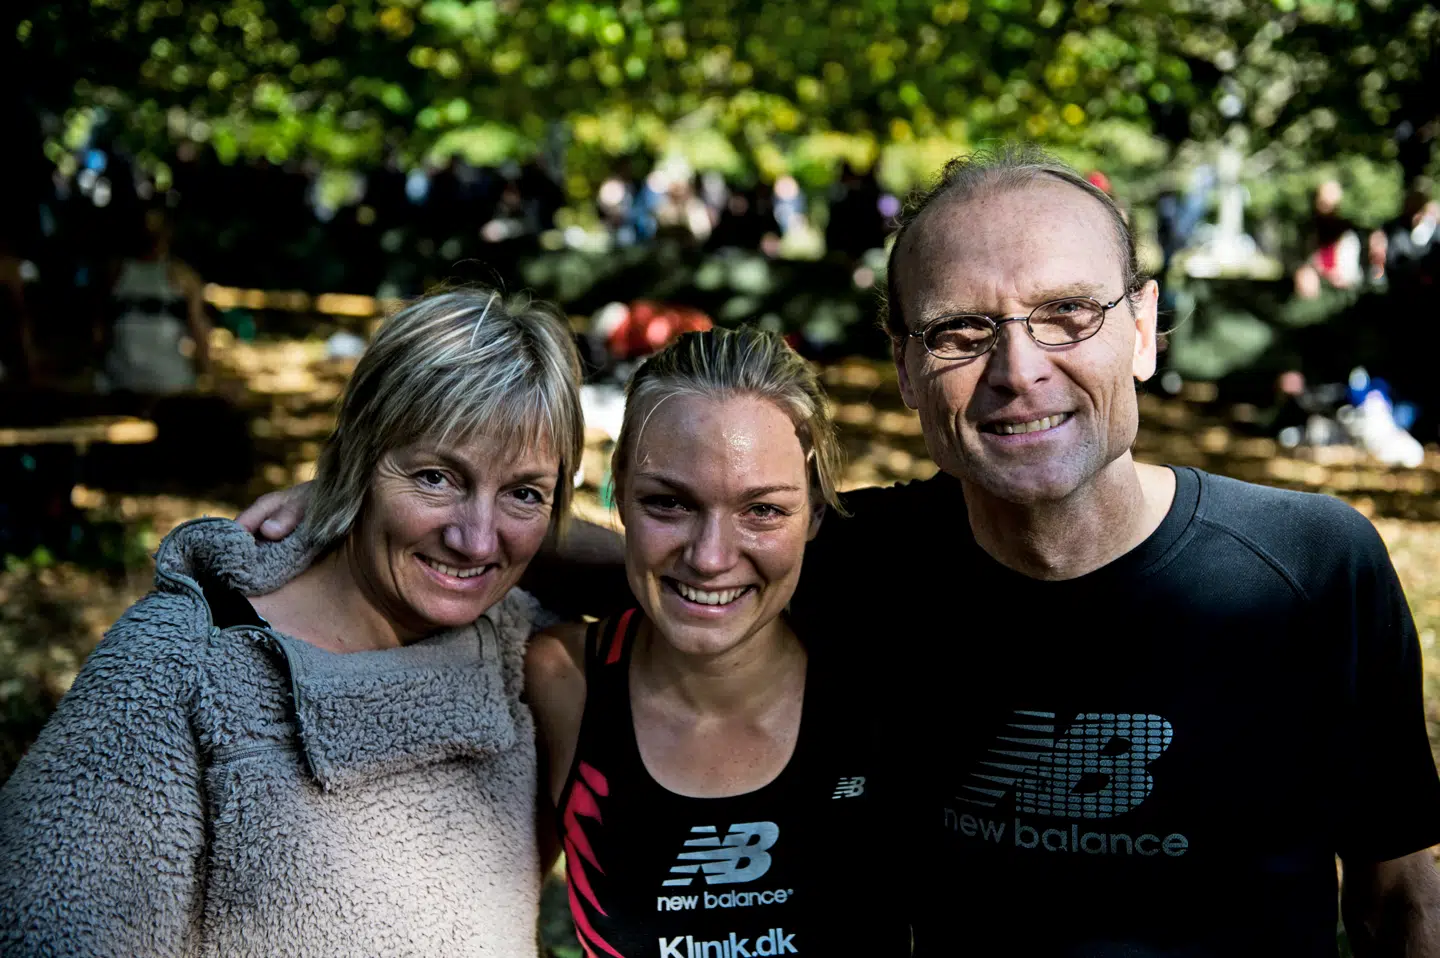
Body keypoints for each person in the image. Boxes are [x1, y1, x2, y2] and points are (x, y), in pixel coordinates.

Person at [239, 146, 1440, 955]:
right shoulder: (871, 558)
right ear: (911, 367)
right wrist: (373, 504)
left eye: (1068, 315)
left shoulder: (1310, 570)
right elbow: (689, 568)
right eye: (965, 331)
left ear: (1145, 327)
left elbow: (1402, 889)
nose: (1022, 370)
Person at [0, 288, 585, 957]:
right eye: (436, 478)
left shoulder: (528, 653)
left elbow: (705, 586)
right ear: (357, 457)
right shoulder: (180, 663)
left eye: (524, 493)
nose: (477, 541)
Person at [525, 328, 911, 958]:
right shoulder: (560, 680)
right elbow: (484, 919)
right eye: (669, 503)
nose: (709, 558)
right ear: (617, 488)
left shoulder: (886, 680)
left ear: (815, 511)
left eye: (762, 511)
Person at [97, 208, 212, 395]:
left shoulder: (116, 273)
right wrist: (208, 373)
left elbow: (99, 332)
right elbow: (199, 332)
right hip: (145, 379)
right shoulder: (116, 273)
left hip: (133, 379)